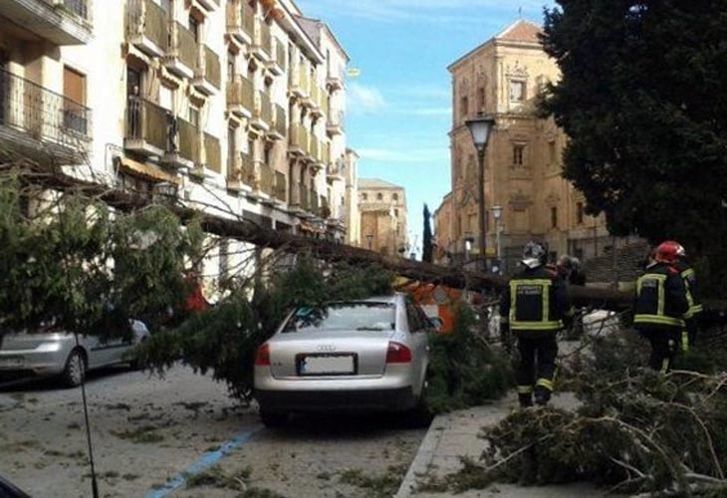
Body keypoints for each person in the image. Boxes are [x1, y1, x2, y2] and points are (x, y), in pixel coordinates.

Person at [500, 241, 573, 407]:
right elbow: (564, 302)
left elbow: (503, 308)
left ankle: (524, 400)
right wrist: (569, 321)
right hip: (546, 331)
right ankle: (542, 392)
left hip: (522, 331)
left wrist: (503, 331)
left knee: (525, 363)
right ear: (543, 257)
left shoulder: (515, 279)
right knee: (547, 361)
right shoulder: (552, 278)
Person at [633, 242, 690, 373]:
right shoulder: (671, 274)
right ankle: (660, 384)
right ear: (673, 258)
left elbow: (636, 300)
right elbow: (679, 299)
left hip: (643, 323)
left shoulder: (645, 275)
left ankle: (651, 380)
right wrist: (687, 314)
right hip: (665, 323)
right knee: (666, 355)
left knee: (657, 353)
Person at [669, 242, 703, 350]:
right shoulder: (686, 269)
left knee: (682, 336)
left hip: (685, 309)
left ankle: (684, 358)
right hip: (693, 307)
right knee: (689, 336)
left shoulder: (674, 270)